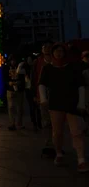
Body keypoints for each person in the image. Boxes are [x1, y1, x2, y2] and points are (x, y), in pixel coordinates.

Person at [39, 44, 87, 172]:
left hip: (72, 104)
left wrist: (81, 103)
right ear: (53, 53)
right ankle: (59, 152)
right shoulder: (48, 68)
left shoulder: (73, 68)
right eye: (56, 51)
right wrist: (43, 99)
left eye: (61, 51)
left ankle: (81, 159)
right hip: (56, 104)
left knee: (76, 132)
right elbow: (42, 84)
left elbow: (80, 86)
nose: (59, 53)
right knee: (57, 132)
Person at [7, 57, 25, 131]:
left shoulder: (21, 68)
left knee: (19, 107)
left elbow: (24, 78)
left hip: (19, 89)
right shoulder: (7, 68)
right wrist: (9, 83)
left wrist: (19, 83)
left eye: (14, 60)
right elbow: (5, 78)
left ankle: (18, 123)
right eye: (12, 60)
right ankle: (13, 123)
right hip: (10, 89)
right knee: (11, 107)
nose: (13, 61)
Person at [24, 55, 41, 131]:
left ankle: (38, 122)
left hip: (36, 89)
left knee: (37, 107)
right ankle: (34, 122)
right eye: (28, 60)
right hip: (29, 90)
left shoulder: (37, 69)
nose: (30, 61)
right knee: (32, 106)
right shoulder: (26, 69)